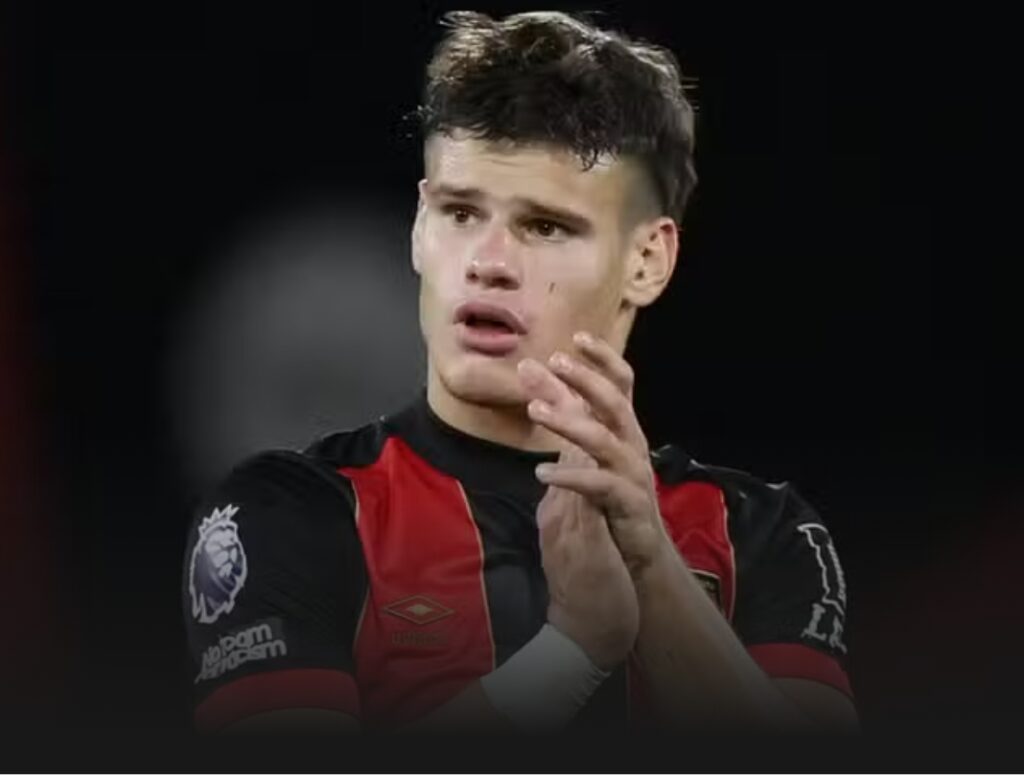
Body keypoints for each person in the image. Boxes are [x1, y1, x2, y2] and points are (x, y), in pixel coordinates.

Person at [181, 10, 857, 736]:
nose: (488, 262)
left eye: (544, 226)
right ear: (419, 227)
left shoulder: (760, 532)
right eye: (460, 213)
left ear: (647, 261)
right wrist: (571, 652)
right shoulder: (288, 514)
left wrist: (651, 565)